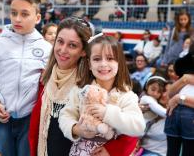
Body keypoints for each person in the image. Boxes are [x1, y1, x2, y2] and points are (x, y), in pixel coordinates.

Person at [29, 18, 140, 156]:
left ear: (83, 51)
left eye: (72, 45)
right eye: (60, 41)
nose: (63, 50)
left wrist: (111, 150)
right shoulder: (46, 78)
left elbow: (130, 129)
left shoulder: (96, 81)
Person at [0, 0, 52, 156]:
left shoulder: (47, 49)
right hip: (5, 118)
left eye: (25, 14)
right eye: (14, 13)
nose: (17, 19)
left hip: (31, 119)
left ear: (38, 18)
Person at [59, 34, 145, 156]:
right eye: (97, 59)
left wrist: (107, 113)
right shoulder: (79, 91)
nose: (103, 64)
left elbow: (139, 127)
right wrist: (76, 129)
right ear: (89, 64)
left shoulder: (127, 96)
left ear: (119, 62)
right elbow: (65, 116)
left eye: (110, 58)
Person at [164, 41, 194, 156]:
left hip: (189, 115)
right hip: (173, 113)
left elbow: (174, 97)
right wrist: (184, 79)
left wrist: (179, 98)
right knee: (171, 152)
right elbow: (170, 94)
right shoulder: (185, 72)